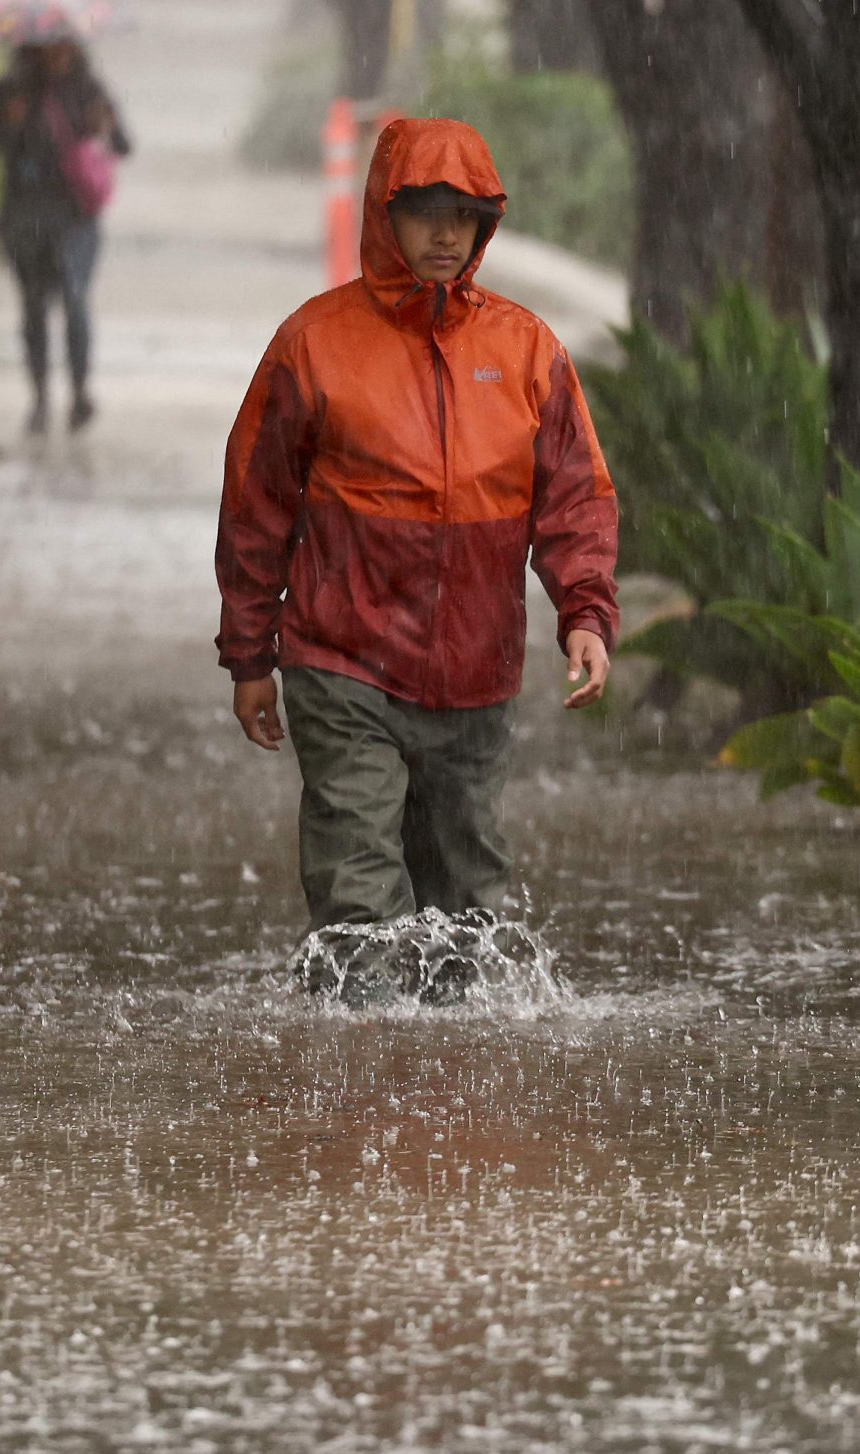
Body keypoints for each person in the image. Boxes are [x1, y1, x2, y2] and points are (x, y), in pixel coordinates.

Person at [213, 119, 618, 997]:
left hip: (476, 677)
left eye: (463, 215)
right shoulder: (314, 345)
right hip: (341, 664)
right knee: (359, 904)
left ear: (484, 225)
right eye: (424, 212)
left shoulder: (526, 351)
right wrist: (250, 655)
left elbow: (575, 494)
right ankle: (360, 1099)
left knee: (469, 912)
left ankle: (458, 1116)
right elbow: (256, 506)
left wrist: (585, 613)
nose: (444, 234)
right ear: (383, 216)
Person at [0, 35, 130, 434]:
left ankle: (79, 393)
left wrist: (105, 125)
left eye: (65, 44)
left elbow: (122, 146)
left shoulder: (87, 89)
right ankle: (40, 398)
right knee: (33, 308)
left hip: (75, 219)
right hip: (23, 218)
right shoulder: (9, 90)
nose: (58, 52)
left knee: (75, 300)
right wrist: (9, 122)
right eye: (49, 45)